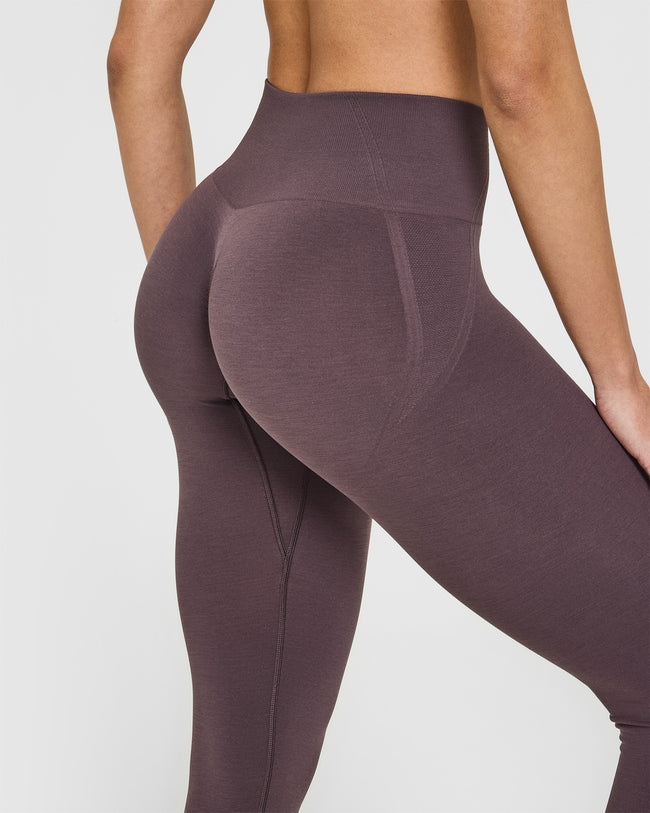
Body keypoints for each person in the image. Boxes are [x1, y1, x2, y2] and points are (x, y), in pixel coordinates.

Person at [107, 1, 650, 810]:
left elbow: (134, 60)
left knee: (241, 786)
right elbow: (522, 80)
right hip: (354, 267)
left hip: (211, 248)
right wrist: (620, 377)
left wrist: (232, 313)